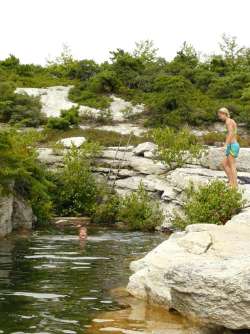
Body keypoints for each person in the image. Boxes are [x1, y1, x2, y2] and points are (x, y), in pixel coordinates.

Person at [218, 107, 240, 188]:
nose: (219, 117)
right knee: (224, 164)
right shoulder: (231, 121)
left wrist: (226, 144)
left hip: (233, 146)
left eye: (220, 115)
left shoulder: (228, 121)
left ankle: (235, 185)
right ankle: (231, 182)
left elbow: (230, 133)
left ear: (224, 114)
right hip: (231, 145)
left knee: (232, 165)